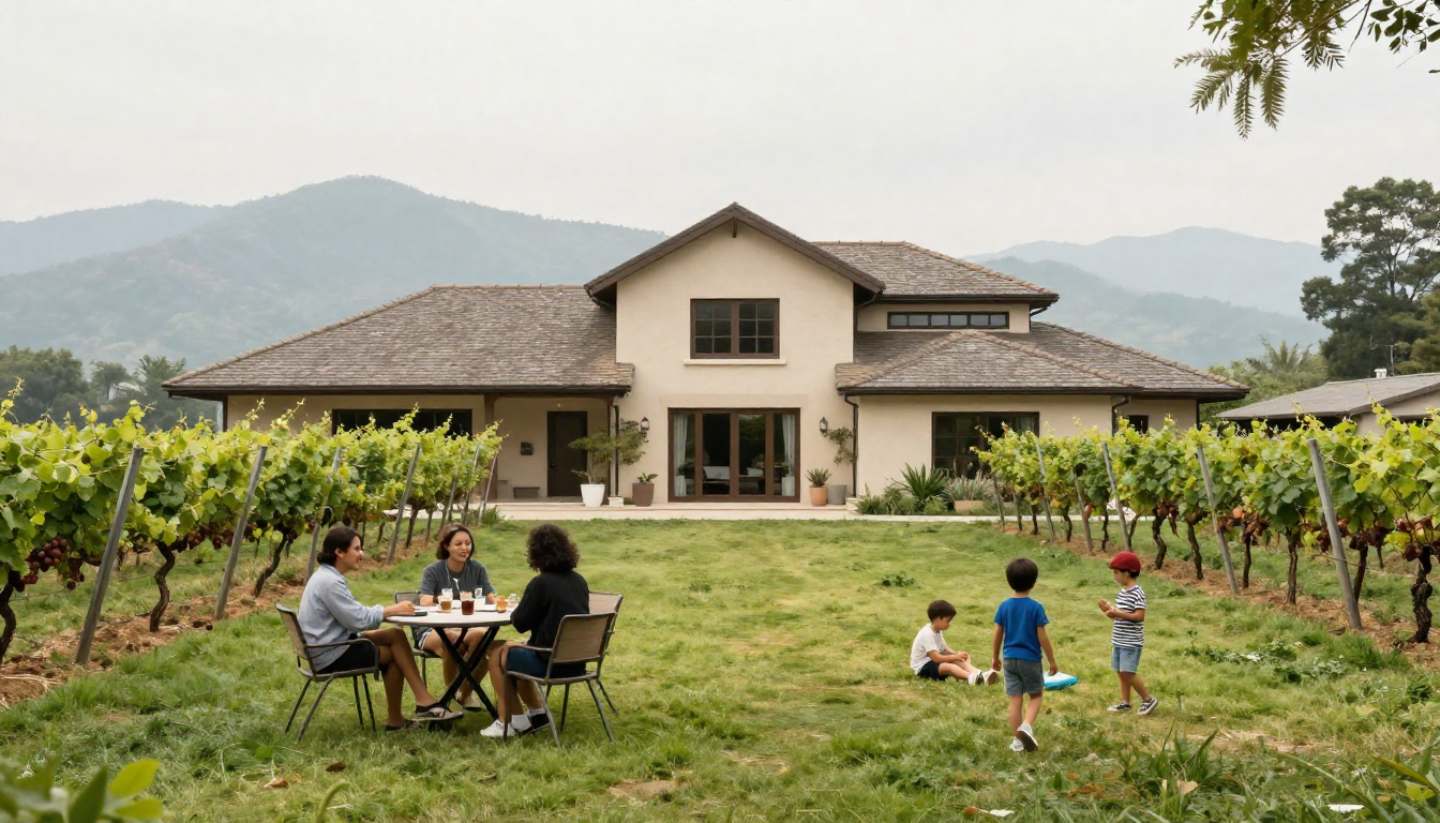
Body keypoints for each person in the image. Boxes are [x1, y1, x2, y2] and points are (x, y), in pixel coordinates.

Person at [298, 525, 461, 730]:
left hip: (327, 646)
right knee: (394, 655)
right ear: (339, 552)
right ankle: (419, 705)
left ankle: (416, 707)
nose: (361, 554)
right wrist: (392, 610)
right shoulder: (329, 582)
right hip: (330, 653)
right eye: (356, 549)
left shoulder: (325, 576)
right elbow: (358, 619)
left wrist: (386, 613)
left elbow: (351, 616)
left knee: (395, 635)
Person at [480, 524, 590, 739]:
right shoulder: (579, 580)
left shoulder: (541, 584)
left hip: (550, 663)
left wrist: (519, 608)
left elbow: (520, 622)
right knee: (516, 649)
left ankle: (508, 722)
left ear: (535, 553)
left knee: (498, 655)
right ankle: (537, 714)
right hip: (578, 661)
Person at [416, 523, 496, 711]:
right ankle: (450, 699)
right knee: (451, 641)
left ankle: (463, 694)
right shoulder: (433, 571)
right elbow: (425, 601)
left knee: (483, 638)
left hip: (464, 627)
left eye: (468, 543)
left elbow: (491, 596)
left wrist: (499, 600)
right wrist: (451, 600)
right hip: (433, 629)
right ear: (446, 546)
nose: (464, 548)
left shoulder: (477, 569)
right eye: (458, 543)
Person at [991, 557, 1058, 753]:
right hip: (1030, 660)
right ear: (1034, 582)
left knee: (1015, 700)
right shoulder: (1036, 607)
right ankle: (1026, 727)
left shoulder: (1004, 606)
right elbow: (1042, 637)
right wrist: (1052, 661)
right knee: (1036, 696)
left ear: (1008, 580)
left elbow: (998, 633)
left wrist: (995, 657)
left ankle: (1017, 742)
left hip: (1009, 659)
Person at [1098, 551, 1158, 716]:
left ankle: (1148, 699)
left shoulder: (1137, 592)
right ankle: (1125, 702)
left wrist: (1117, 613)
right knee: (1120, 671)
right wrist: (1110, 612)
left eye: (1116, 573)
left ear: (1127, 572)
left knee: (1128, 672)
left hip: (1131, 642)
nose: (1114, 576)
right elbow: (1121, 617)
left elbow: (1140, 616)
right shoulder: (1123, 592)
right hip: (1119, 639)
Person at [910, 599, 998, 685]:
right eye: (948, 621)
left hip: (932, 664)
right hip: (923, 668)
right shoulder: (927, 634)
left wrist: (957, 655)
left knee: (957, 661)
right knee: (949, 666)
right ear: (938, 619)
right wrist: (954, 657)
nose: (949, 624)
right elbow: (936, 658)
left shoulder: (937, 631)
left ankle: (980, 674)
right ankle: (972, 678)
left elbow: (944, 649)